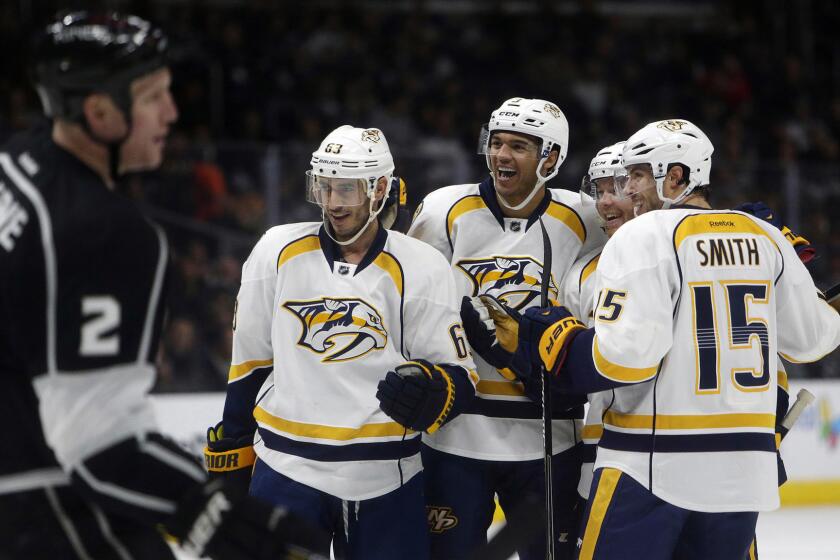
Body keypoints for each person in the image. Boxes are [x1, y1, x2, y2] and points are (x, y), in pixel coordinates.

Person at [0, 11, 322, 560]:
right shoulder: (104, 233)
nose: (171, 114)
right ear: (101, 112)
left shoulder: (16, 165)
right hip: (40, 506)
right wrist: (220, 514)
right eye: (153, 98)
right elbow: (97, 445)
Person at [484, 119, 840, 559]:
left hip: (651, 468)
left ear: (676, 177)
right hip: (744, 471)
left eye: (635, 175)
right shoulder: (764, 236)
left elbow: (623, 361)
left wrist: (555, 340)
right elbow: (813, 341)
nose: (627, 189)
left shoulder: (644, 234)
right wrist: (816, 297)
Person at [206, 124, 477, 559]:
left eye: (346, 189)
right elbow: (249, 364)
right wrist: (232, 455)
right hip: (284, 469)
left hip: (387, 477)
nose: (332, 203)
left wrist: (434, 392)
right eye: (324, 187)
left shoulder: (423, 266)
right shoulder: (276, 250)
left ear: (380, 188)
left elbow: (459, 377)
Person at [408, 97, 606, 559]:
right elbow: (410, 301)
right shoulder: (443, 210)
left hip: (549, 437)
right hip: (456, 433)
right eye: (496, 143)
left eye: (518, 146)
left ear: (550, 159)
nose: (500, 155)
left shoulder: (585, 216)